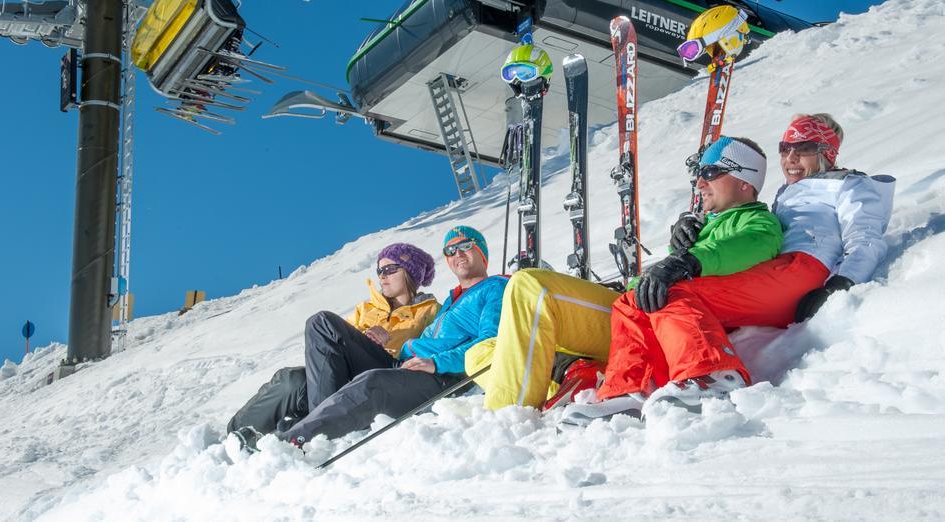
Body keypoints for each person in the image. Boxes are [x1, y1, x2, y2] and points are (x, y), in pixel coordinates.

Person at [573, 113, 895, 420]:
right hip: (773, 272)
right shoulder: (788, 193)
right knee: (638, 299)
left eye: (804, 149)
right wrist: (696, 224)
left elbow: (865, 239)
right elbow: (737, 220)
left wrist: (839, 285)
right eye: (785, 148)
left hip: (803, 269)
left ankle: (712, 376)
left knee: (674, 290)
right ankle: (626, 393)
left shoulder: (850, 185)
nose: (791, 158)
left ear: (827, 153)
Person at [469, 136, 783, 412]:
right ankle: (575, 378)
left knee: (531, 287)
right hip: (631, 311)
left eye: (711, 173)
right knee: (478, 353)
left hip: (649, 320)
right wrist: (688, 235)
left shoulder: (759, 223)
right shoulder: (703, 226)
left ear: (745, 181)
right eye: (699, 174)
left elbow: (744, 247)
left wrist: (685, 260)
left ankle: (507, 416)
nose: (700, 183)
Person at [275, 226, 508, 446]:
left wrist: (437, 363)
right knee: (322, 324)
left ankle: (299, 440)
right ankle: (315, 424)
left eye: (465, 245)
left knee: (373, 382)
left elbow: (489, 345)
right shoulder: (452, 300)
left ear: (481, 251)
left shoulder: (494, 288)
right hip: (404, 362)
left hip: (441, 376)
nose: (457, 253)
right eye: (450, 250)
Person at [226, 243, 439, 451]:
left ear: (412, 273)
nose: (382, 275)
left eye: (390, 269)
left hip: (387, 374)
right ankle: (234, 437)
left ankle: (313, 428)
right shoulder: (366, 308)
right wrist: (363, 338)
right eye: (380, 270)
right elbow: (332, 347)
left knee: (321, 322)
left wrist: (391, 343)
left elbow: (429, 351)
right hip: (347, 380)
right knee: (293, 380)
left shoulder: (431, 311)